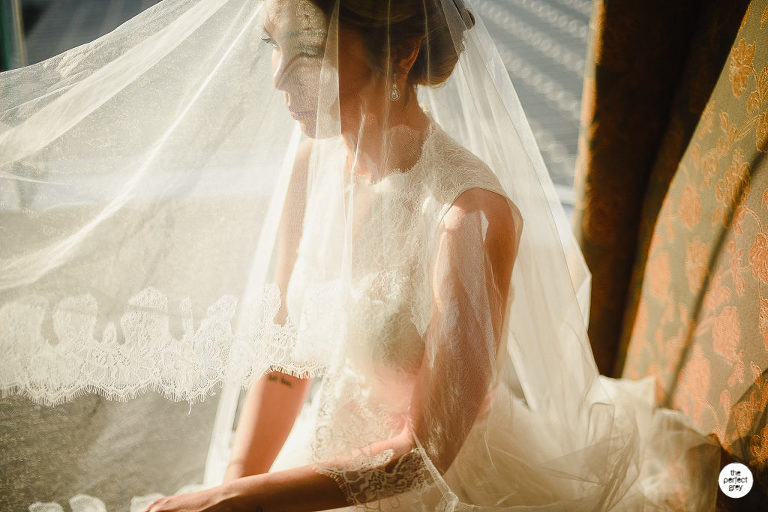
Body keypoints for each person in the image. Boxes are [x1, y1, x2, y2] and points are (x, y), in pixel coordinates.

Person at [0, 0, 721, 510]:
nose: (278, 77)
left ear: (401, 52)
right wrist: (231, 483)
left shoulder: (466, 217)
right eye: (270, 45)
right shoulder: (309, 156)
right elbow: (285, 363)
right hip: (319, 456)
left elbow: (427, 454)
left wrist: (243, 501)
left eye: (307, 50)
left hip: (431, 486)